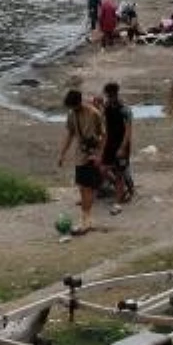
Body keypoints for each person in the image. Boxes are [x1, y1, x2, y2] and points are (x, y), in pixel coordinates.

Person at [57, 89, 105, 236]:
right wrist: (62, 154)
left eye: (74, 106)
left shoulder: (93, 113)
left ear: (79, 102)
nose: (72, 109)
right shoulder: (72, 114)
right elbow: (70, 134)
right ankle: (86, 219)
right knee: (82, 187)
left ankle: (86, 220)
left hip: (92, 155)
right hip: (80, 155)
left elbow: (103, 135)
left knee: (88, 188)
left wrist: (99, 155)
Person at [99, 82, 134, 212]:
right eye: (107, 95)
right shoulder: (107, 107)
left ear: (114, 94)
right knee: (103, 169)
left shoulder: (125, 109)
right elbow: (104, 125)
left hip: (121, 143)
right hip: (109, 142)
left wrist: (122, 147)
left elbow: (128, 131)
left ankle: (118, 200)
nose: (108, 97)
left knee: (120, 172)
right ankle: (123, 189)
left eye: (109, 95)